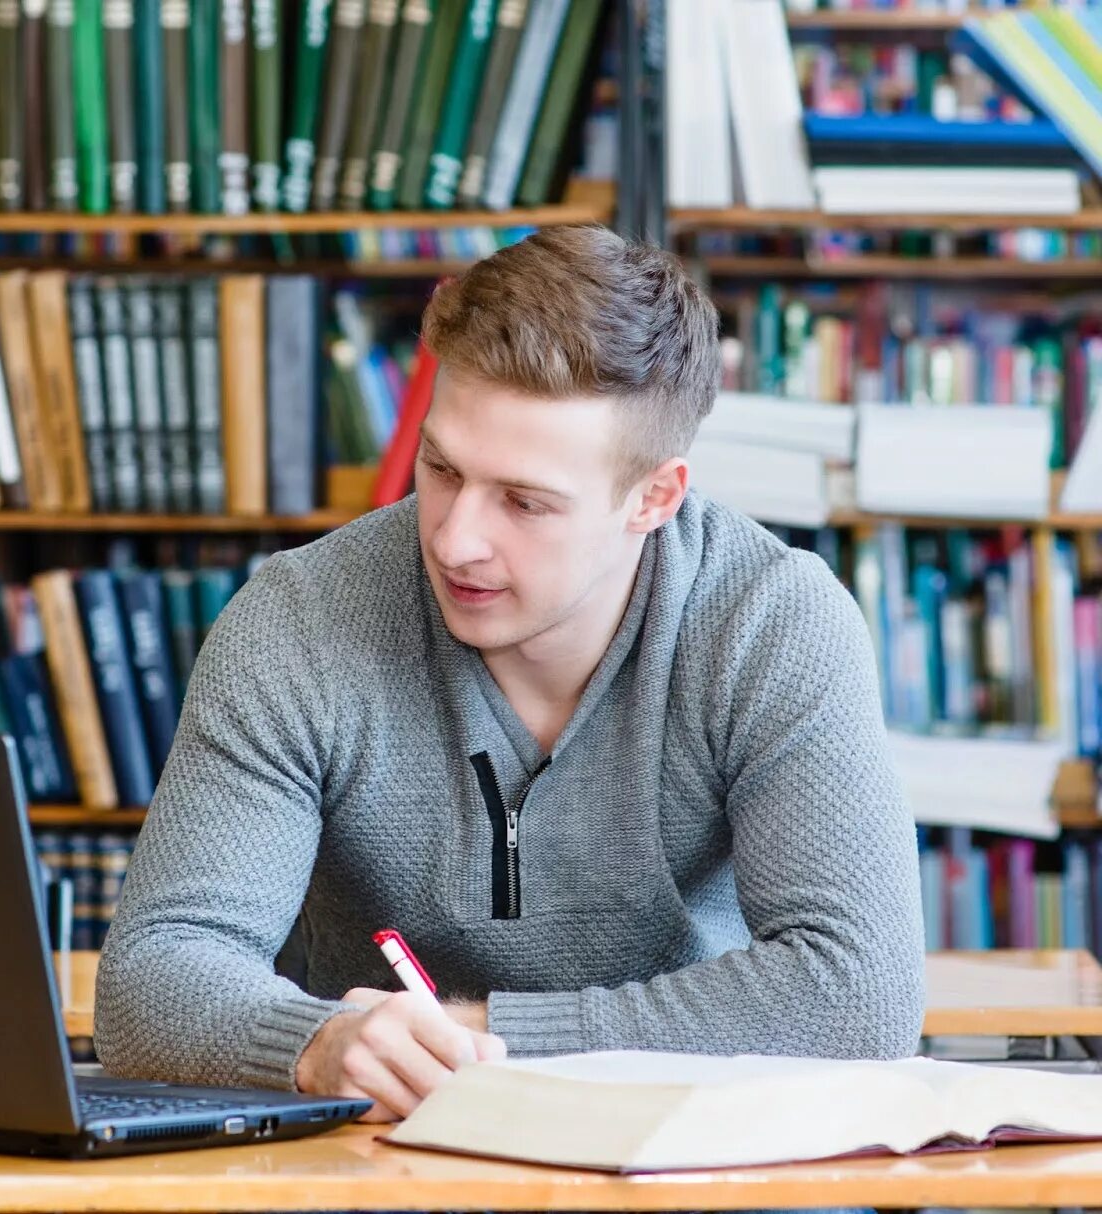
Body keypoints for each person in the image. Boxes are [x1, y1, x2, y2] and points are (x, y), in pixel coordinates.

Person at [93, 225, 925, 1123]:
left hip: (681, 1150)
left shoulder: (772, 622)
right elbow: (152, 978)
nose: (455, 539)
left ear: (654, 497)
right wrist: (316, 1043)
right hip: (380, 1161)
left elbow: (860, 991)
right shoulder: (297, 620)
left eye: (524, 502)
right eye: (441, 468)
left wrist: (491, 1043)